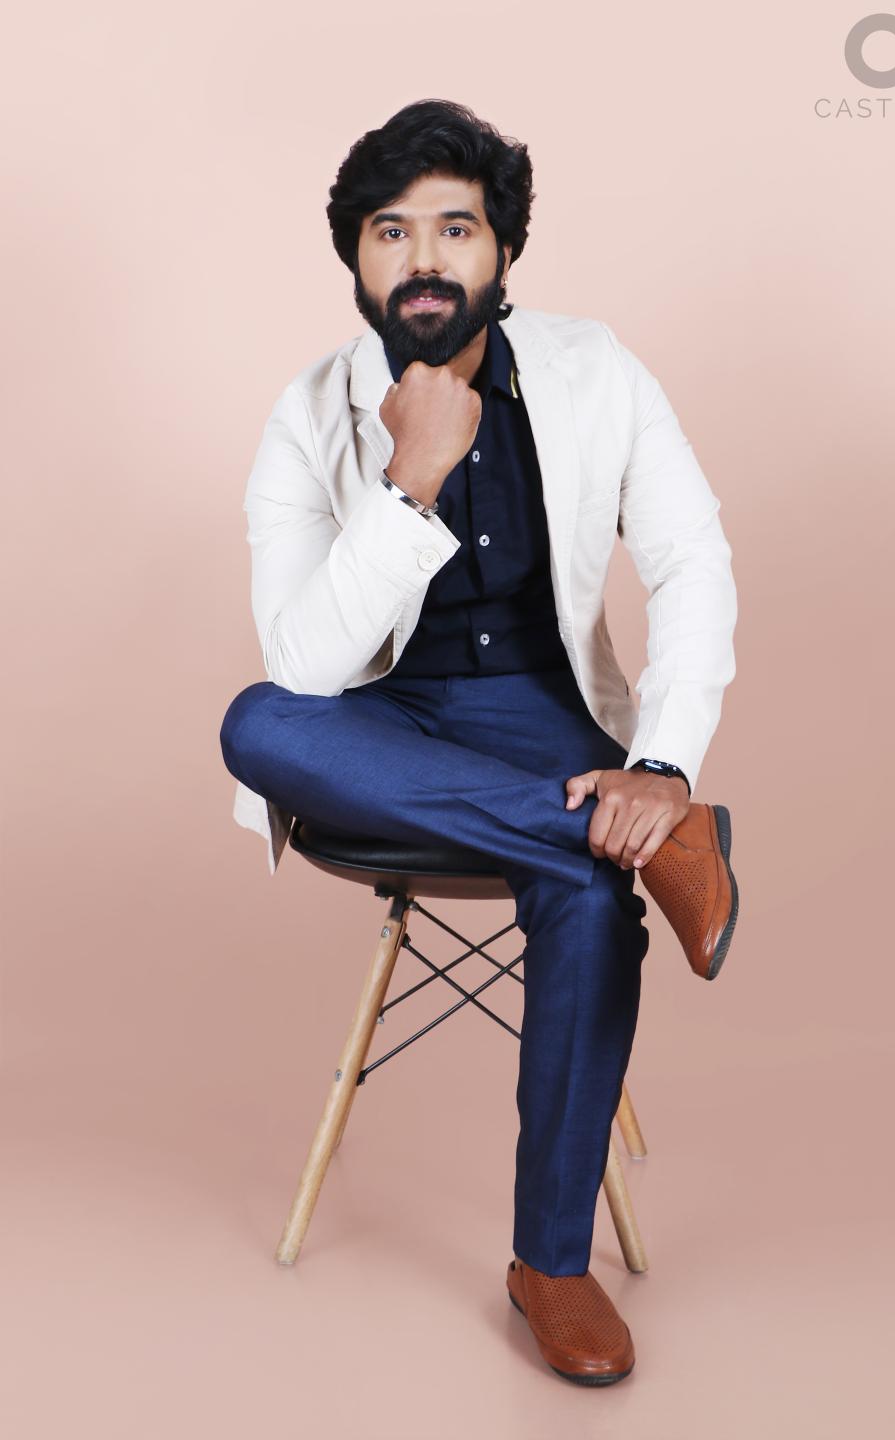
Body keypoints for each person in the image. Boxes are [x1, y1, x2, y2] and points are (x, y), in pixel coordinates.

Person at [219, 98, 738, 1386]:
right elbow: (304, 671)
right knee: (255, 722)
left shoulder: (596, 369)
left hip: (549, 723)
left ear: (503, 249)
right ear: (356, 258)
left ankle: (550, 1267)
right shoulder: (307, 415)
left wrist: (660, 763)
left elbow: (692, 560)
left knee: (587, 902)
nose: (425, 258)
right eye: (391, 232)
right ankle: (648, 841)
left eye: (456, 228)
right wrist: (410, 483)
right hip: (383, 729)